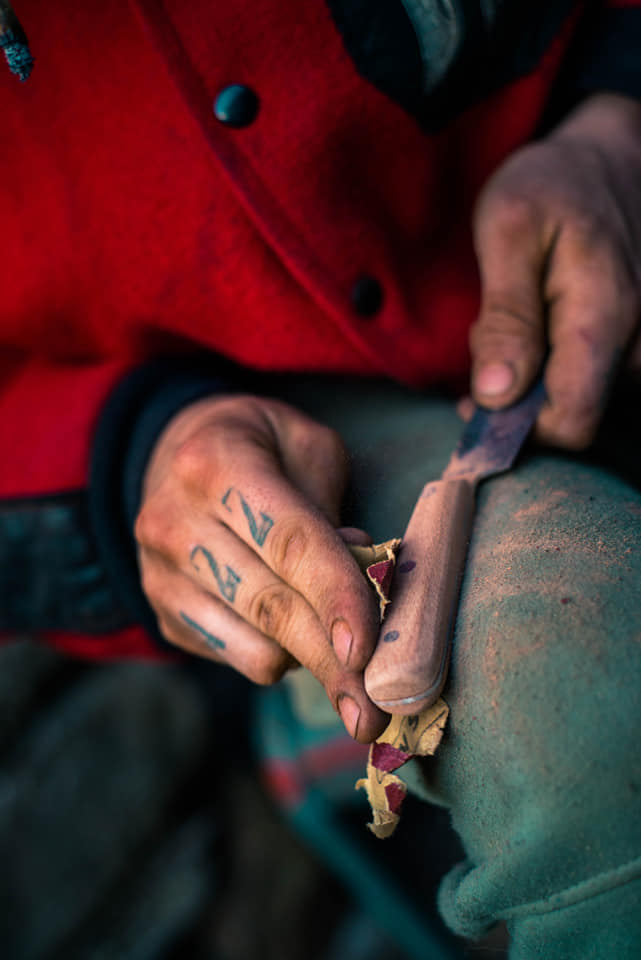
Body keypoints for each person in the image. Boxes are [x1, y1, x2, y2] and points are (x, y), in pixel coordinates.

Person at [2, 1, 641, 954]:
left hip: (568, 221)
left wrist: (616, 104)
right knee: (587, 700)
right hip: (252, 430)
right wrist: (120, 458)